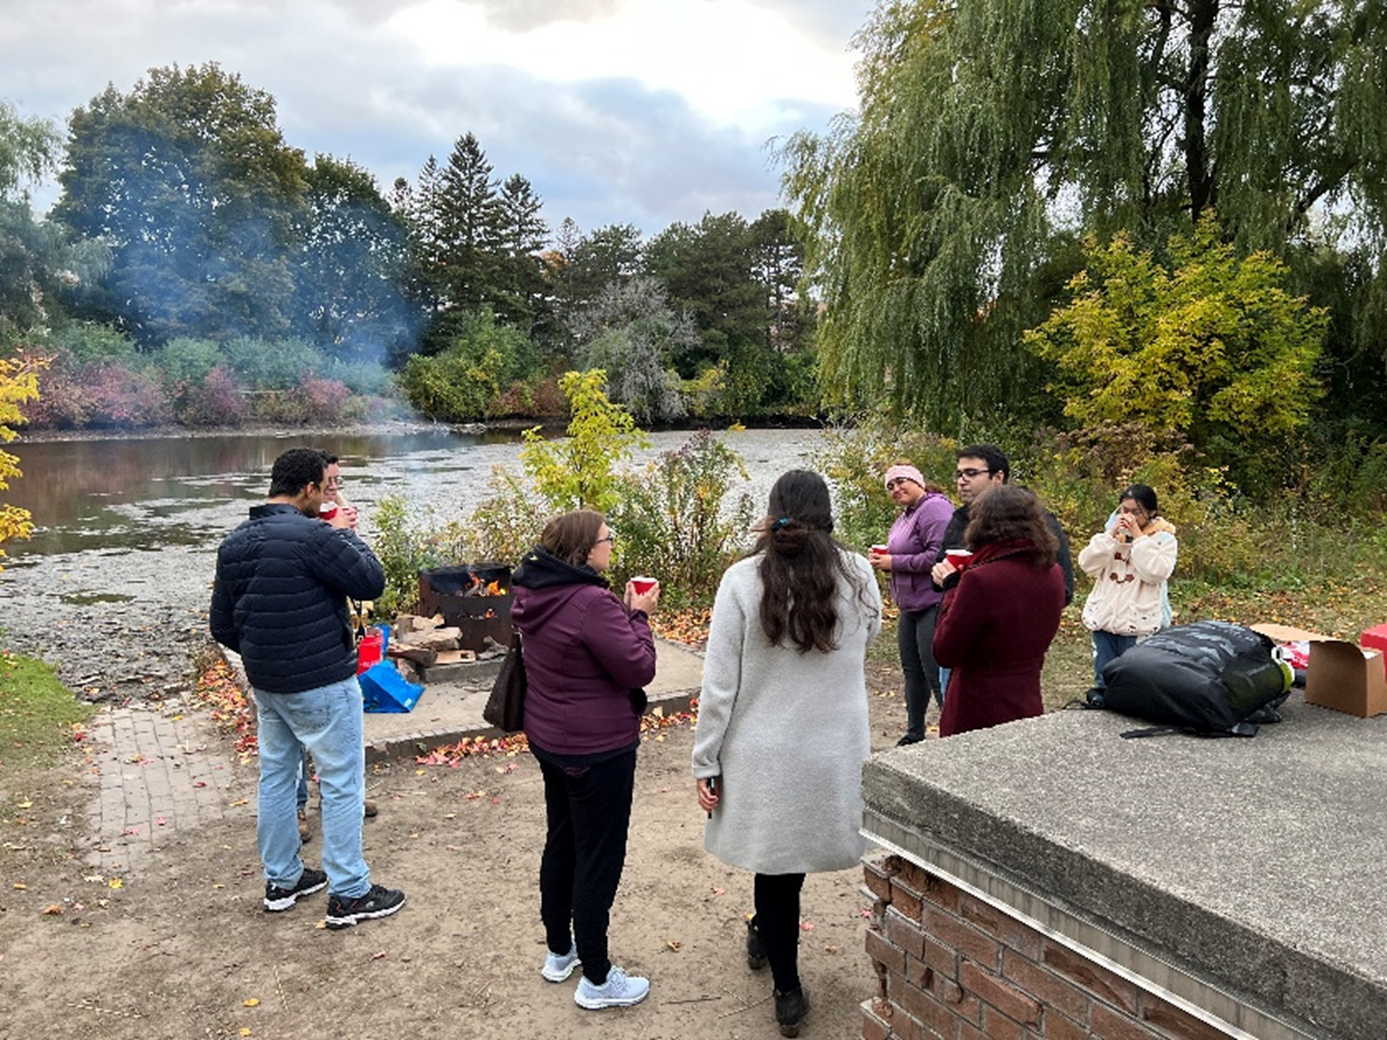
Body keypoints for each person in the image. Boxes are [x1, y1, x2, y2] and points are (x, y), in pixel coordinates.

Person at [693, 470, 882, 1038]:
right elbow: (866, 643)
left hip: (764, 752)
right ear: (828, 513)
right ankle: (767, 941)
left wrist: (706, 759)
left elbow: (719, 683)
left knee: (776, 867)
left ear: (772, 510)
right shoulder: (859, 574)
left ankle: (787, 990)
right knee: (786, 866)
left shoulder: (741, 580)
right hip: (833, 747)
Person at [210, 448, 405, 928]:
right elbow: (372, 582)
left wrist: (262, 654)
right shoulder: (316, 535)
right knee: (341, 782)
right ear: (308, 489)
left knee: (276, 778)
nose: (327, 494)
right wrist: (346, 535)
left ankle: (282, 879)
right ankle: (349, 893)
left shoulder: (235, 542)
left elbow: (222, 626)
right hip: (323, 683)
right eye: (324, 486)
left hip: (268, 686)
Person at [510, 510, 659, 1011]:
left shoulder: (533, 590)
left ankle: (559, 950)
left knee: (563, 842)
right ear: (584, 549)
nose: (610, 546)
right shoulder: (591, 601)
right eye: (606, 539)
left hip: (551, 738)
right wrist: (640, 616)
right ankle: (597, 976)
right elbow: (639, 668)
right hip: (597, 748)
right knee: (599, 856)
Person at [932, 485, 1065, 737]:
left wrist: (952, 587)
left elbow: (944, 651)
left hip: (977, 705)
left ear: (981, 524)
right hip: (1027, 700)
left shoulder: (980, 579)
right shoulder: (1053, 573)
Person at [295, 452, 373, 843]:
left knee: (329, 739)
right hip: (306, 653)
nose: (336, 488)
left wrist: (347, 529)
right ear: (311, 484)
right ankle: (299, 809)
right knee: (296, 742)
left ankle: (338, 795)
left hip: (326, 631)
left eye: (340, 480)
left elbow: (360, 573)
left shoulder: (330, 511)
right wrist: (339, 533)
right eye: (331, 481)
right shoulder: (303, 521)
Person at [867, 462, 953, 745]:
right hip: (910, 606)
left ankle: (954, 732)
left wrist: (894, 562)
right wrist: (885, 559)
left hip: (932, 600)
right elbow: (908, 551)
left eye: (901, 481)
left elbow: (937, 556)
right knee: (912, 671)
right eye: (890, 486)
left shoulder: (934, 508)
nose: (896, 489)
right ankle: (914, 733)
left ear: (918, 481)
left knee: (934, 670)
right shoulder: (906, 514)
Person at [1077, 484, 1178, 689]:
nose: (1128, 516)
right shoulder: (1111, 537)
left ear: (1150, 512)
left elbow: (1157, 572)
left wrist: (1139, 538)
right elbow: (1087, 564)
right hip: (1105, 618)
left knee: (1135, 681)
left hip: (1139, 622)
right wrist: (1110, 535)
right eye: (1124, 510)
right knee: (1104, 677)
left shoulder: (1164, 539)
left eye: (1136, 512)